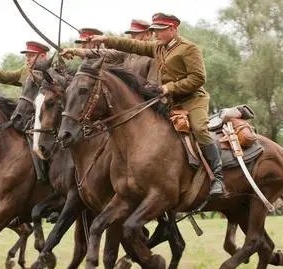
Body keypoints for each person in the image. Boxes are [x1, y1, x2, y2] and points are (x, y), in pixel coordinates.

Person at [89, 12, 225, 196]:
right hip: (170, 103)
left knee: (200, 129)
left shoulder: (189, 48)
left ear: (172, 29)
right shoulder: (158, 47)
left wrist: (168, 88)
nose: (155, 34)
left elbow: (198, 78)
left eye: (159, 30)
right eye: (153, 30)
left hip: (192, 100)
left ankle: (218, 177)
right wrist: (106, 39)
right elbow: (132, 44)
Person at [61, 23, 157, 83]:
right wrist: (74, 51)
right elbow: (103, 53)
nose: (131, 38)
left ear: (148, 35)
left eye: (135, 35)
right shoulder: (127, 53)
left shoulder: (155, 54)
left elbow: (153, 86)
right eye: (131, 34)